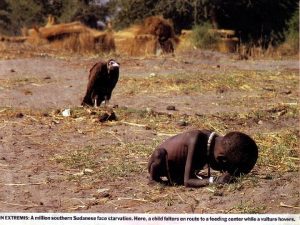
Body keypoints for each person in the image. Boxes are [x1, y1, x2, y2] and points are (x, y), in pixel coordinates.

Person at [148, 130, 258, 187]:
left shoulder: (213, 142)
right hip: (161, 164)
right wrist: (214, 180)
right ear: (221, 159)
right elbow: (188, 181)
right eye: (224, 169)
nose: (223, 172)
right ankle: (153, 179)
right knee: (159, 155)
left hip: (177, 172)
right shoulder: (196, 139)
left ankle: (176, 177)